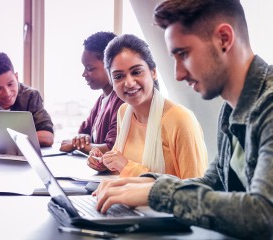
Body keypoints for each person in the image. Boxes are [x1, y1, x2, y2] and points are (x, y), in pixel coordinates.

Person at [93, 1, 273, 239]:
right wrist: (145, 184)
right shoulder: (229, 109)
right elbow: (215, 181)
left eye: (184, 54)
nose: (178, 73)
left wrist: (159, 194)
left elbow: (263, 215)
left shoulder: (268, 106)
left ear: (224, 39)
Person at [88, 34, 208, 178]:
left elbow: (194, 191)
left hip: (157, 201)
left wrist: (127, 166)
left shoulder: (181, 120)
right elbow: (121, 167)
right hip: (125, 198)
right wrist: (104, 163)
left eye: (136, 72)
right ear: (112, 82)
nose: (129, 83)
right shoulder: (124, 112)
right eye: (119, 76)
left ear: (153, 72)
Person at [60, 32, 124, 154]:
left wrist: (76, 145)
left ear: (110, 65)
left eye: (89, 68)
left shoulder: (122, 101)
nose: (84, 74)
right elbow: (83, 133)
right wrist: (81, 140)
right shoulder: (101, 100)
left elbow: (111, 149)